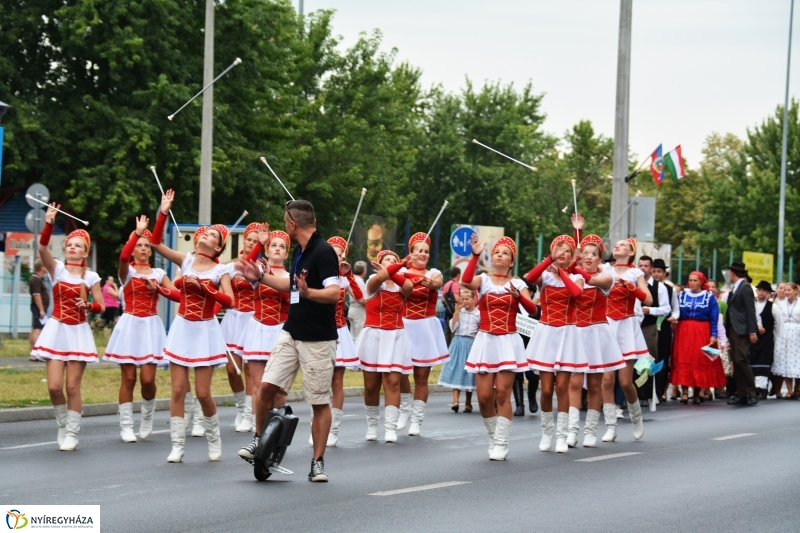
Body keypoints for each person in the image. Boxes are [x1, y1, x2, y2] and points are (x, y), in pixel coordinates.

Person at [239, 200, 341, 482]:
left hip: (318, 339)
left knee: (319, 402)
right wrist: (261, 277)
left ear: (294, 225)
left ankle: (317, 463)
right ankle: (259, 440)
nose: (284, 227)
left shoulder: (323, 252)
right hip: (291, 332)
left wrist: (310, 294)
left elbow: (333, 293)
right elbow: (292, 286)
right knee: (266, 387)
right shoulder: (300, 250)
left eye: (285, 223)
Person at [151, 189, 234, 463]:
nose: (206, 234)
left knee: (202, 392)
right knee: (177, 390)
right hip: (182, 327)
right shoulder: (185, 260)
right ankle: (177, 445)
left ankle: (213, 439)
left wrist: (207, 290)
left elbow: (229, 301)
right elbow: (155, 243)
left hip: (205, 330)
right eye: (205, 232)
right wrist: (163, 212)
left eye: (213, 235)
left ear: (218, 247)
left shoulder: (220, 270)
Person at [31, 203, 104, 451]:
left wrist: (89, 306)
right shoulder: (58, 270)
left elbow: (101, 305)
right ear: (65, 249)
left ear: (85, 253)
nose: (73, 247)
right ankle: (63, 423)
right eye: (70, 244)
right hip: (57, 329)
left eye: (78, 246)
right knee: (53, 386)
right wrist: (49, 223)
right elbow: (42, 248)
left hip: (78, 332)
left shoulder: (91, 276)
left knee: (72, 386)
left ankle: (73, 431)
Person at [104, 216, 180, 443]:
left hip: (150, 327)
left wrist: (158, 288)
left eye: (147, 245)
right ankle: (126, 425)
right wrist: (137, 233)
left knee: (148, 380)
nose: (144, 248)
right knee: (128, 379)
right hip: (129, 325)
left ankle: (147, 417)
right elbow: (123, 257)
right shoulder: (126, 273)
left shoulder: (158, 274)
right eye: (139, 244)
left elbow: (177, 295)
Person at [462, 235, 533, 460]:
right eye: (496, 252)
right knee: (483, 397)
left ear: (511, 261)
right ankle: (494, 436)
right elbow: (465, 281)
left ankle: (501, 442)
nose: (499, 255)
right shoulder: (483, 280)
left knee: (502, 393)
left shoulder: (519, 284)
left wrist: (519, 298)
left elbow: (531, 309)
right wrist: (474, 255)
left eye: (505, 253)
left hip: (508, 342)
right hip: (486, 341)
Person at [524, 235, 586, 454]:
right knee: (547, 388)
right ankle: (547, 432)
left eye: (567, 250)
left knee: (562, 387)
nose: (563, 252)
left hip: (567, 335)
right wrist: (548, 262)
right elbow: (529, 278)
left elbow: (577, 294)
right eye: (559, 249)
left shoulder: (577, 278)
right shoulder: (545, 277)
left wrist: (562, 272)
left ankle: (562, 435)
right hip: (547, 333)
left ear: (571, 257)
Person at [567, 232, 626, 448]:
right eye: (585, 253)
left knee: (596, 384)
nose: (589, 256)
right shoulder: (573, 277)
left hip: (597, 333)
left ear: (600, 259)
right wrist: (577, 232)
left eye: (594, 253)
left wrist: (576, 269)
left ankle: (592, 430)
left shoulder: (607, 278)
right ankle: (572, 430)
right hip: (576, 333)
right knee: (574, 382)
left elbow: (591, 279)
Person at [235, 228, 291, 447]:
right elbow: (243, 266)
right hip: (258, 329)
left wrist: (267, 277)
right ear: (268, 250)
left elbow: (290, 299)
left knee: (277, 388)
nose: (277, 249)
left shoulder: (290, 276)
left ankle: (275, 435)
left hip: (281, 331)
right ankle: (259, 435)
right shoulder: (257, 269)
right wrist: (259, 243)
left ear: (287, 253)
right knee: (258, 385)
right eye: (274, 245)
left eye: (282, 246)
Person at [353, 250, 413, 443]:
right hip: (373, 336)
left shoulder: (402, 284)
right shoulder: (372, 282)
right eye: (386, 260)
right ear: (378, 264)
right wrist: (396, 266)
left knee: (392, 382)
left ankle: (390, 428)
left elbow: (409, 287)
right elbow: (379, 279)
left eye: (394, 260)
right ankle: (372, 426)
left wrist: (394, 270)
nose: (390, 262)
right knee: (371, 386)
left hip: (395, 336)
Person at [398, 232, 449, 437]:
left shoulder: (434, 273)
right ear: (410, 253)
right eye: (419, 250)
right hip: (403, 326)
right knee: (401, 372)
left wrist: (427, 281)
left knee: (421, 376)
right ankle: (404, 407)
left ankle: (417, 419)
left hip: (425, 327)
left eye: (426, 251)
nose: (423, 254)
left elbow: (437, 283)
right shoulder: (400, 271)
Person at [603, 238, 652, 442]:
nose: (617, 247)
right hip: (606, 325)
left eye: (622, 245)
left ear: (631, 253)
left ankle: (636, 418)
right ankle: (611, 426)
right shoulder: (605, 269)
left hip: (626, 326)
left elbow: (648, 300)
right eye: (616, 245)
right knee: (607, 379)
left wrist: (632, 289)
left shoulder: (635, 274)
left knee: (625, 381)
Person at [219, 222, 265, 433]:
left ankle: (248, 413)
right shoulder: (229, 267)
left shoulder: (261, 267)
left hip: (253, 318)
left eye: (257, 241)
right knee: (231, 369)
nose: (252, 243)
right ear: (243, 241)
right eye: (250, 239)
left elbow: (251, 268)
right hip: (233, 319)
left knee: (249, 369)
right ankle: (240, 406)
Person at [324, 236, 363, 446]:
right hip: (320, 332)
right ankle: (319, 425)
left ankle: (334, 429)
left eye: (339, 253)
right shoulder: (318, 274)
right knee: (319, 383)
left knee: (337, 382)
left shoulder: (344, 278)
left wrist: (349, 275)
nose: (335, 256)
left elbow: (360, 298)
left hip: (339, 332)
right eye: (332, 252)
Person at [670, 272, 726, 404]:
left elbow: (714, 317)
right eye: (690, 280)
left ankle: (696, 393)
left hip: (702, 331)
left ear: (701, 282)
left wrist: (713, 335)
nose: (692, 283)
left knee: (699, 360)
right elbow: (676, 312)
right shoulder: (682, 295)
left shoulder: (709, 297)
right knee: (684, 359)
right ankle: (684, 393)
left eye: (695, 280)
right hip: (684, 331)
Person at [637, 255, 672, 403]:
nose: (643, 268)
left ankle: (646, 393)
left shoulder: (660, 287)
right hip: (631, 326)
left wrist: (650, 310)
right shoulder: (633, 282)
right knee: (631, 361)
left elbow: (666, 308)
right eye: (640, 265)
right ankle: (633, 394)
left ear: (651, 268)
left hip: (648, 327)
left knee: (648, 360)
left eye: (645, 266)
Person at [437, 287, 479, 412]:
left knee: (469, 373)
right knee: (456, 369)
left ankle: (468, 402)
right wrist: (456, 312)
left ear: (474, 299)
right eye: (463, 299)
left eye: (467, 299)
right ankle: (455, 401)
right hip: (458, 342)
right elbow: (453, 328)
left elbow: (481, 329)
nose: (465, 301)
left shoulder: (478, 314)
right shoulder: (459, 312)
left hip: (471, 344)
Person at [724, 261, 759, 406]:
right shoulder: (736, 288)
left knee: (742, 360)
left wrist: (752, 331)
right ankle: (741, 392)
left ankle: (751, 392)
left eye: (729, 272)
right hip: (734, 329)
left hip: (743, 330)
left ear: (733, 273)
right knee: (736, 362)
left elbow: (750, 311)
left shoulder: (745, 288)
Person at [651, 258, 678, 401]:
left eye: (659, 271)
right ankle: (648, 388)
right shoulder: (646, 286)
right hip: (650, 325)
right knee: (649, 357)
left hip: (664, 326)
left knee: (662, 357)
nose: (656, 274)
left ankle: (660, 389)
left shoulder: (669, 289)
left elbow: (676, 309)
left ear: (664, 274)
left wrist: (674, 317)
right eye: (654, 271)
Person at [750, 281, 777, 399]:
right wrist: (755, 328)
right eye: (759, 290)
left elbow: (778, 325)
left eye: (764, 291)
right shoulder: (751, 305)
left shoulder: (773, 306)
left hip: (766, 340)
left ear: (768, 293)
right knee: (752, 361)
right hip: (752, 338)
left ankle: (762, 388)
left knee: (764, 362)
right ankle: (753, 387)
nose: (761, 292)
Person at [772, 282, 800, 398]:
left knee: (797, 360)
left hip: (797, 333)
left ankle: (797, 389)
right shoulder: (780, 304)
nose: (786, 292)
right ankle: (789, 390)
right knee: (785, 361)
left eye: (789, 290)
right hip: (783, 333)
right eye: (785, 290)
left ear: (796, 291)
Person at [28, 259, 50, 361]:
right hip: (38, 308)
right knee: (38, 329)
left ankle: (33, 353)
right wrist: (41, 309)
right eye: (45, 266)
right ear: (41, 268)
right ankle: (36, 353)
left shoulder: (38, 278)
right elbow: (37, 295)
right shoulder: (36, 279)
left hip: (38, 307)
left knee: (35, 328)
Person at [347, 261, 368, 341]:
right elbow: (362, 300)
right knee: (359, 337)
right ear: (364, 271)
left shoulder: (352, 278)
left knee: (353, 336)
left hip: (352, 310)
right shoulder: (359, 281)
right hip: (359, 311)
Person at [442, 267, 462, 345]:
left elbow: (442, 300)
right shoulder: (455, 284)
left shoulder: (446, 284)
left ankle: (446, 352)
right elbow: (457, 299)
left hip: (447, 312)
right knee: (454, 334)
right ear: (458, 274)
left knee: (447, 334)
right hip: (454, 313)